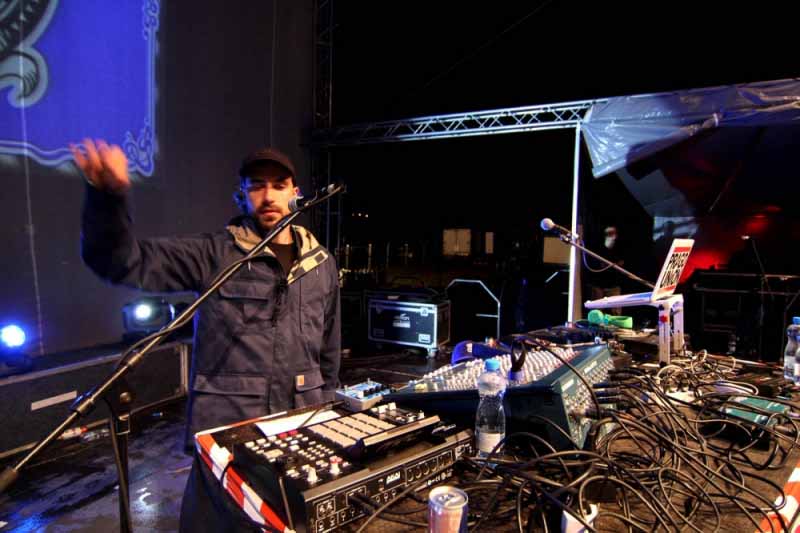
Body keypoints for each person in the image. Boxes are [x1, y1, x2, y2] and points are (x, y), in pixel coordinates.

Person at [72, 139, 341, 445]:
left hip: (303, 421)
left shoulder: (321, 263)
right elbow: (119, 261)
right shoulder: (212, 254)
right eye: (256, 186)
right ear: (241, 196)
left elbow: (329, 349)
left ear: (296, 194)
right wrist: (107, 199)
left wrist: (328, 410)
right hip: (230, 429)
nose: (268, 196)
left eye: (279, 185)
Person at [585, 225, 626, 315]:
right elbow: (596, 266)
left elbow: (621, 264)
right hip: (598, 285)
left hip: (613, 285)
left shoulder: (619, 249)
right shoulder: (597, 249)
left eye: (614, 234)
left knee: (616, 314)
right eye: (610, 234)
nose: (613, 237)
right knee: (596, 313)